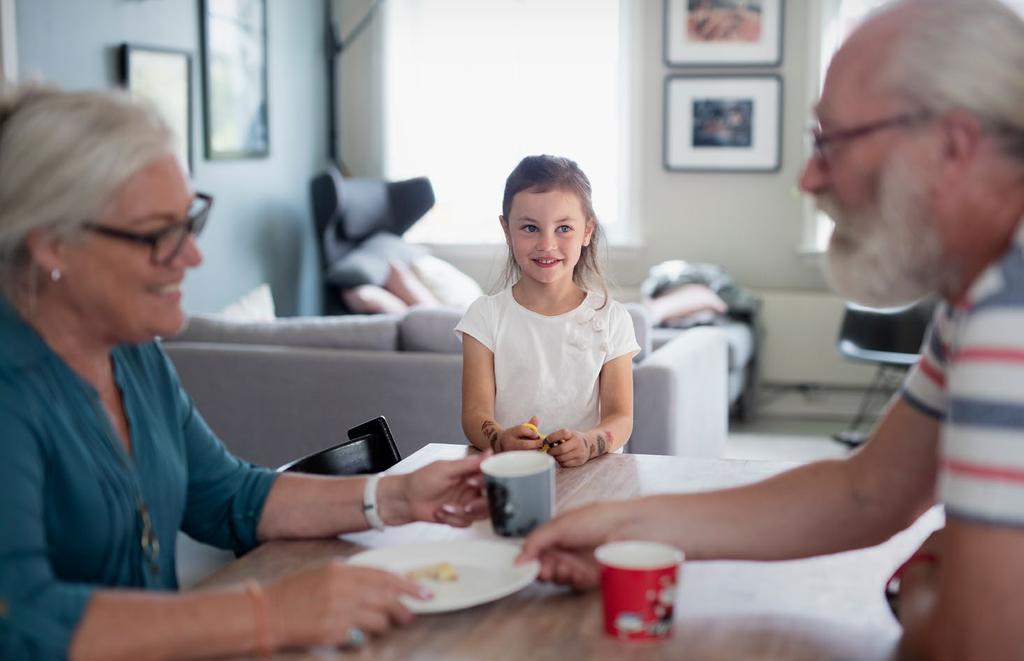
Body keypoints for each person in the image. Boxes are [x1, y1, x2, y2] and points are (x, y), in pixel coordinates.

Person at [518, 0, 1024, 657]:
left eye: (830, 141)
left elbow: (977, 644)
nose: (808, 177)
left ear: (951, 147)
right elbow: (869, 490)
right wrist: (626, 523)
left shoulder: (1009, 310)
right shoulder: (978, 295)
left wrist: (921, 589)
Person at [0, 84, 491, 660]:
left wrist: (397, 495)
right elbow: (21, 619)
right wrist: (270, 613)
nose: (193, 257)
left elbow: (227, 496)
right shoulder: (13, 391)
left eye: (190, 222)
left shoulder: (132, 355)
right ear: (52, 247)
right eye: (160, 234)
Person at [456, 155, 640, 467]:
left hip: (592, 476)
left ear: (587, 231)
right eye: (530, 227)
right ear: (507, 229)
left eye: (564, 228)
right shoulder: (484, 316)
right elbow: (475, 415)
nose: (547, 244)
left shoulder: (612, 319)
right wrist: (499, 439)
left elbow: (620, 418)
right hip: (512, 474)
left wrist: (589, 443)